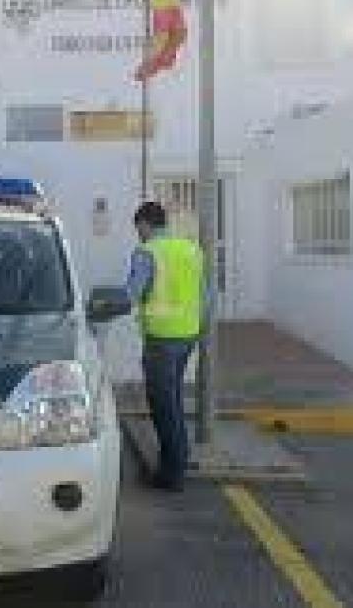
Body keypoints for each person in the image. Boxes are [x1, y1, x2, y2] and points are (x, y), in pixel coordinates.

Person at [125, 201, 208, 492]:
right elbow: (206, 294)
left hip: (162, 338)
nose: (138, 233)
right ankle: (179, 458)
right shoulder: (191, 249)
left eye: (138, 228)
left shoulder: (147, 252)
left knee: (163, 406)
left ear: (145, 224)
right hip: (188, 335)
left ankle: (172, 474)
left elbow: (132, 294)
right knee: (172, 400)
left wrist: (107, 305)